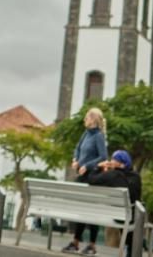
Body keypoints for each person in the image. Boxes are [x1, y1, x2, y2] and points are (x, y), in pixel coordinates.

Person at [62, 107, 108, 255]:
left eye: (87, 117)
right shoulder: (86, 134)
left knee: (91, 211)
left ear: (94, 120)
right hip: (82, 176)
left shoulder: (99, 136)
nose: (84, 120)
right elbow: (77, 148)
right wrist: (75, 160)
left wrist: (87, 166)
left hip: (92, 177)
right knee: (81, 209)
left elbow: (103, 157)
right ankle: (76, 242)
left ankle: (92, 245)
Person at [87, 150, 142, 256]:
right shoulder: (136, 177)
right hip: (131, 216)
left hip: (117, 215)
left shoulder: (111, 175)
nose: (111, 161)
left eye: (114, 159)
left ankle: (128, 250)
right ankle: (129, 251)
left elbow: (91, 179)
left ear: (121, 163)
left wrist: (98, 167)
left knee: (125, 215)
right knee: (130, 215)